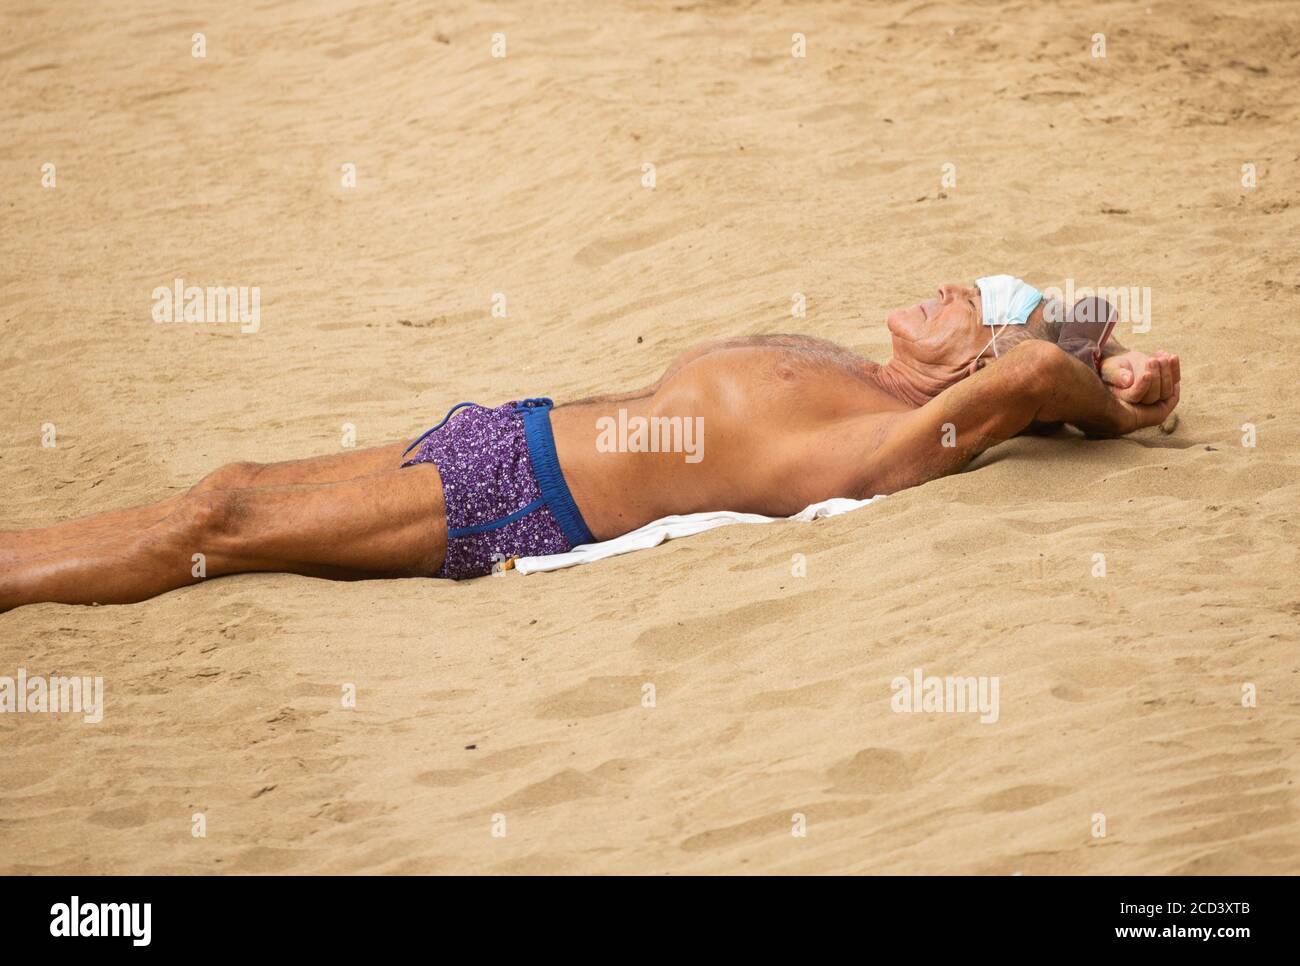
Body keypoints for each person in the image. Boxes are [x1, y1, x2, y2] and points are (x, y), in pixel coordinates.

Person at [0, 275, 1180, 609]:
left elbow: (1032, 373)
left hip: (519, 501)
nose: (943, 287)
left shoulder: (895, 434)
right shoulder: (859, 371)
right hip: (504, 434)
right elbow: (1039, 355)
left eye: (972, 297)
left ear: (975, 370)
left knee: (220, 528)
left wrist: (1114, 397)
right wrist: (1106, 351)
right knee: (234, 485)